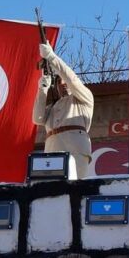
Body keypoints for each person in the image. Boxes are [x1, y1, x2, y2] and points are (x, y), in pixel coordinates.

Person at [32, 42, 94, 179]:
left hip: (76, 149)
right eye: (60, 82)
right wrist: (42, 89)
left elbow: (71, 79)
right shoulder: (54, 107)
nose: (64, 84)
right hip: (52, 150)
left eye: (64, 81)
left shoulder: (84, 97)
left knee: (75, 189)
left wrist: (51, 57)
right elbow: (37, 118)